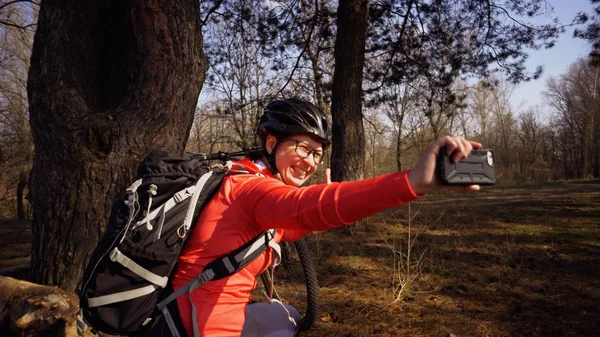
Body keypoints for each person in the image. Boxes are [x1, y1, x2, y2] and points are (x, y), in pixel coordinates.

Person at [171, 98, 481, 337]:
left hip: (197, 312)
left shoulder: (244, 177)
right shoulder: (251, 188)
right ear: (270, 143)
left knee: (285, 314)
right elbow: (306, 209)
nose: (309, 162)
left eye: (317, 154)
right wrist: (412, 182)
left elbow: (288, 227)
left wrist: (326, 210)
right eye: (303, 148)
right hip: (201, 325)